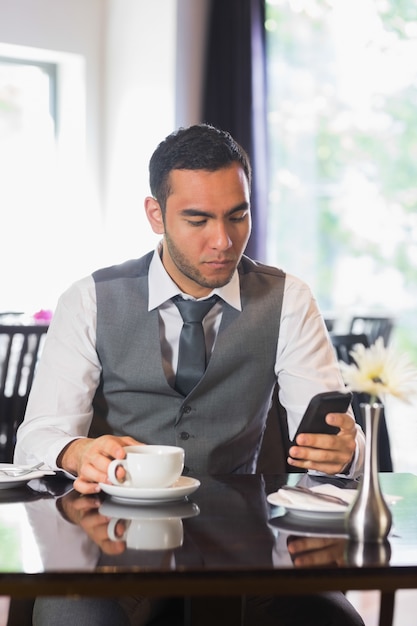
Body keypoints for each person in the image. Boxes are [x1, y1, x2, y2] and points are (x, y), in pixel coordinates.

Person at [15, 123, 365, 625]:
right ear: (155, 214)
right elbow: (37, 438)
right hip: (109, 551)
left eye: (237, 215)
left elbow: (333, 442)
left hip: (246, 551)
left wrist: (346, 450)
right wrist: (78, 450)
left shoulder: (288, 299)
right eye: (197, 219)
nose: (223, 241)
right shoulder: (89, 299)